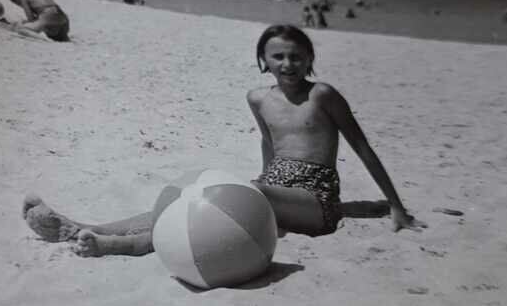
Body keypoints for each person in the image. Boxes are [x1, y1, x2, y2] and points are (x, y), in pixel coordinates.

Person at [22, 24, 426, 257]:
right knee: (198, 195)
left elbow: (363, 148)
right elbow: (270, 147)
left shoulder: (323, 95)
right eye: (278, 56)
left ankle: (120, 246)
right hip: (276, 188)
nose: (288, 64)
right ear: (263, 60)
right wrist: (263, 187)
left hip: (317, 201)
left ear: (309, 59)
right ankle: (85, 227)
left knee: (228, 195)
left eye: (296, 56)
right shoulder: (258, 98)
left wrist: (395, 205)